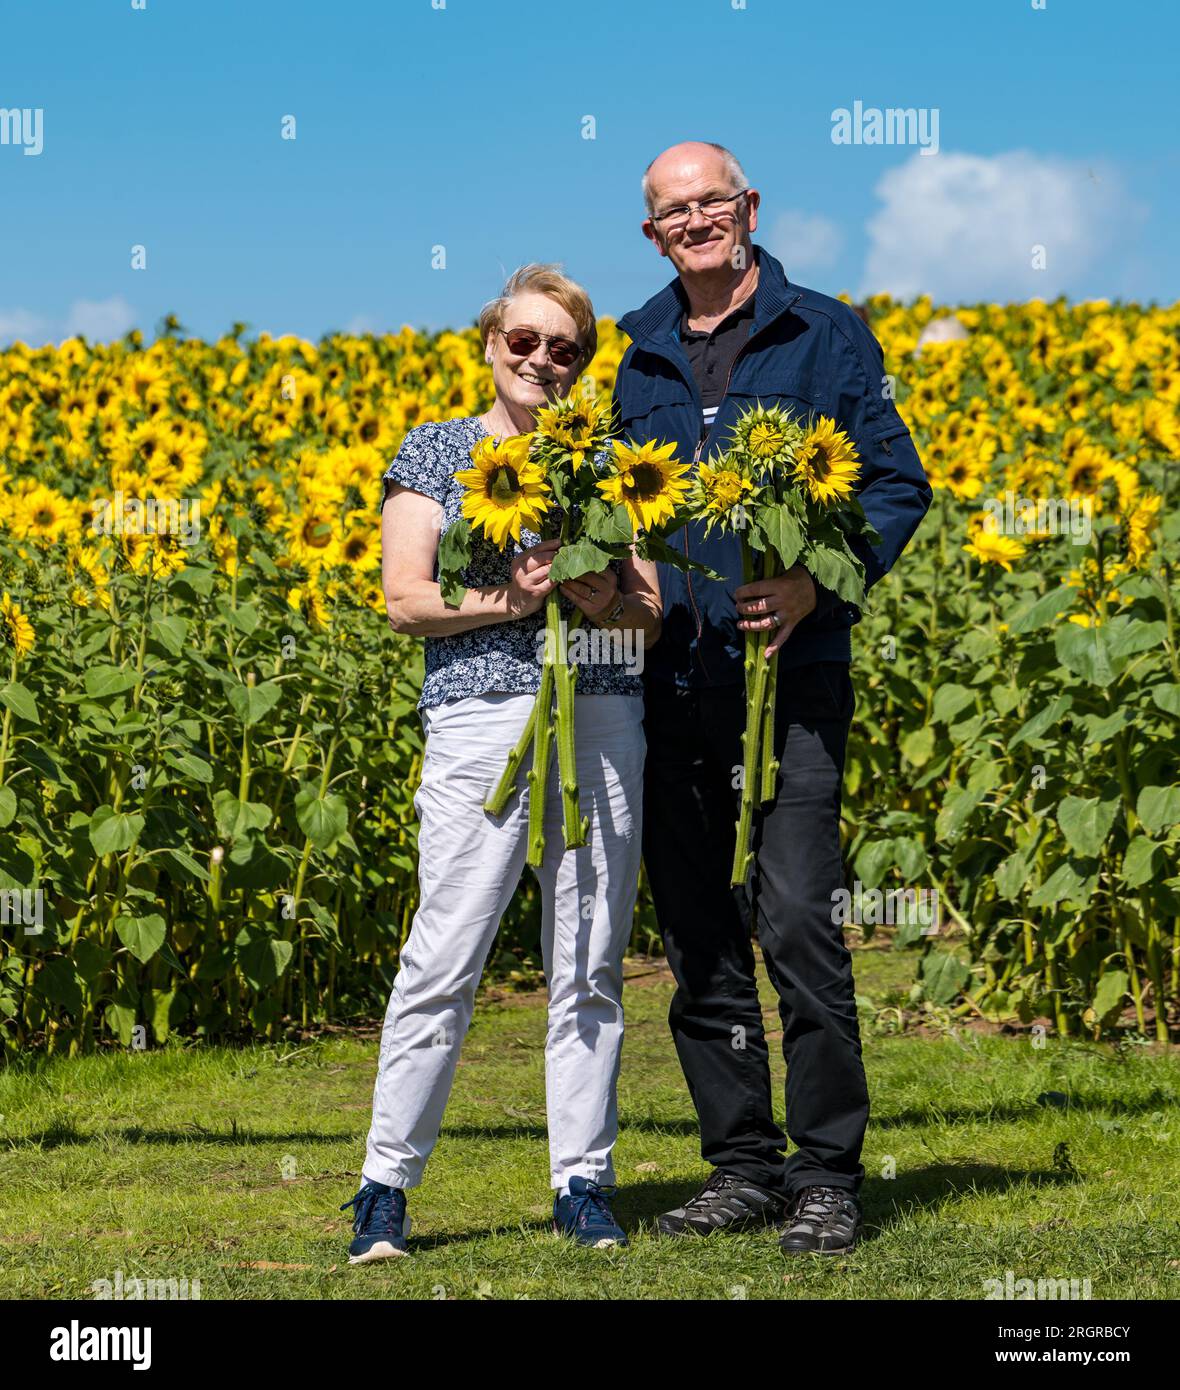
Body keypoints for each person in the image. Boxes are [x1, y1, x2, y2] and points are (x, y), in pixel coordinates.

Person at [614, 142, 931, 1254]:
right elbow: (622, 512)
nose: (696, 221)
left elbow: (894, 482)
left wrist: (812, 582)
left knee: (797, 919)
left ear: (747, 206)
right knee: (698, 935)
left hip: (789, 684)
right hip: (674, 681)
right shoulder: (637, 353)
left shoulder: (824, 333)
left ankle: (827, 1174)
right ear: (652, 233)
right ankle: (741, 1164)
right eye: (673, 211)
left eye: (712, 201)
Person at [342, 264, 662, 1259]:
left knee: (590, 962)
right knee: (446, 955)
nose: (540, 360)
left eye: (562, 348)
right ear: (490, 345)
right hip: (481, 721)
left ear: (581, 365)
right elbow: (404, 600)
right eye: (523, 340)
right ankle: (384, 1187)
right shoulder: (436, 451)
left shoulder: (605, 460)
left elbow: (648, 610)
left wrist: (600, 597)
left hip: (600, 714)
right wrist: (513, 602)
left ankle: (583, 1182)